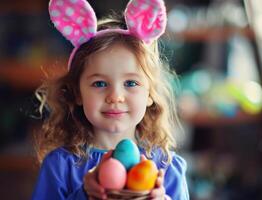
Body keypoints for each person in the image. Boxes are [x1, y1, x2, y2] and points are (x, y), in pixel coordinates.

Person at [32, 0, 189, 199]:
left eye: (131, 83)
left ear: (150, 94)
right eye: (99, 84)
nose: (115, 97)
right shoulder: (60, 167)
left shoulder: (168, 168)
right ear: (78, 93)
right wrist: (85, 195)